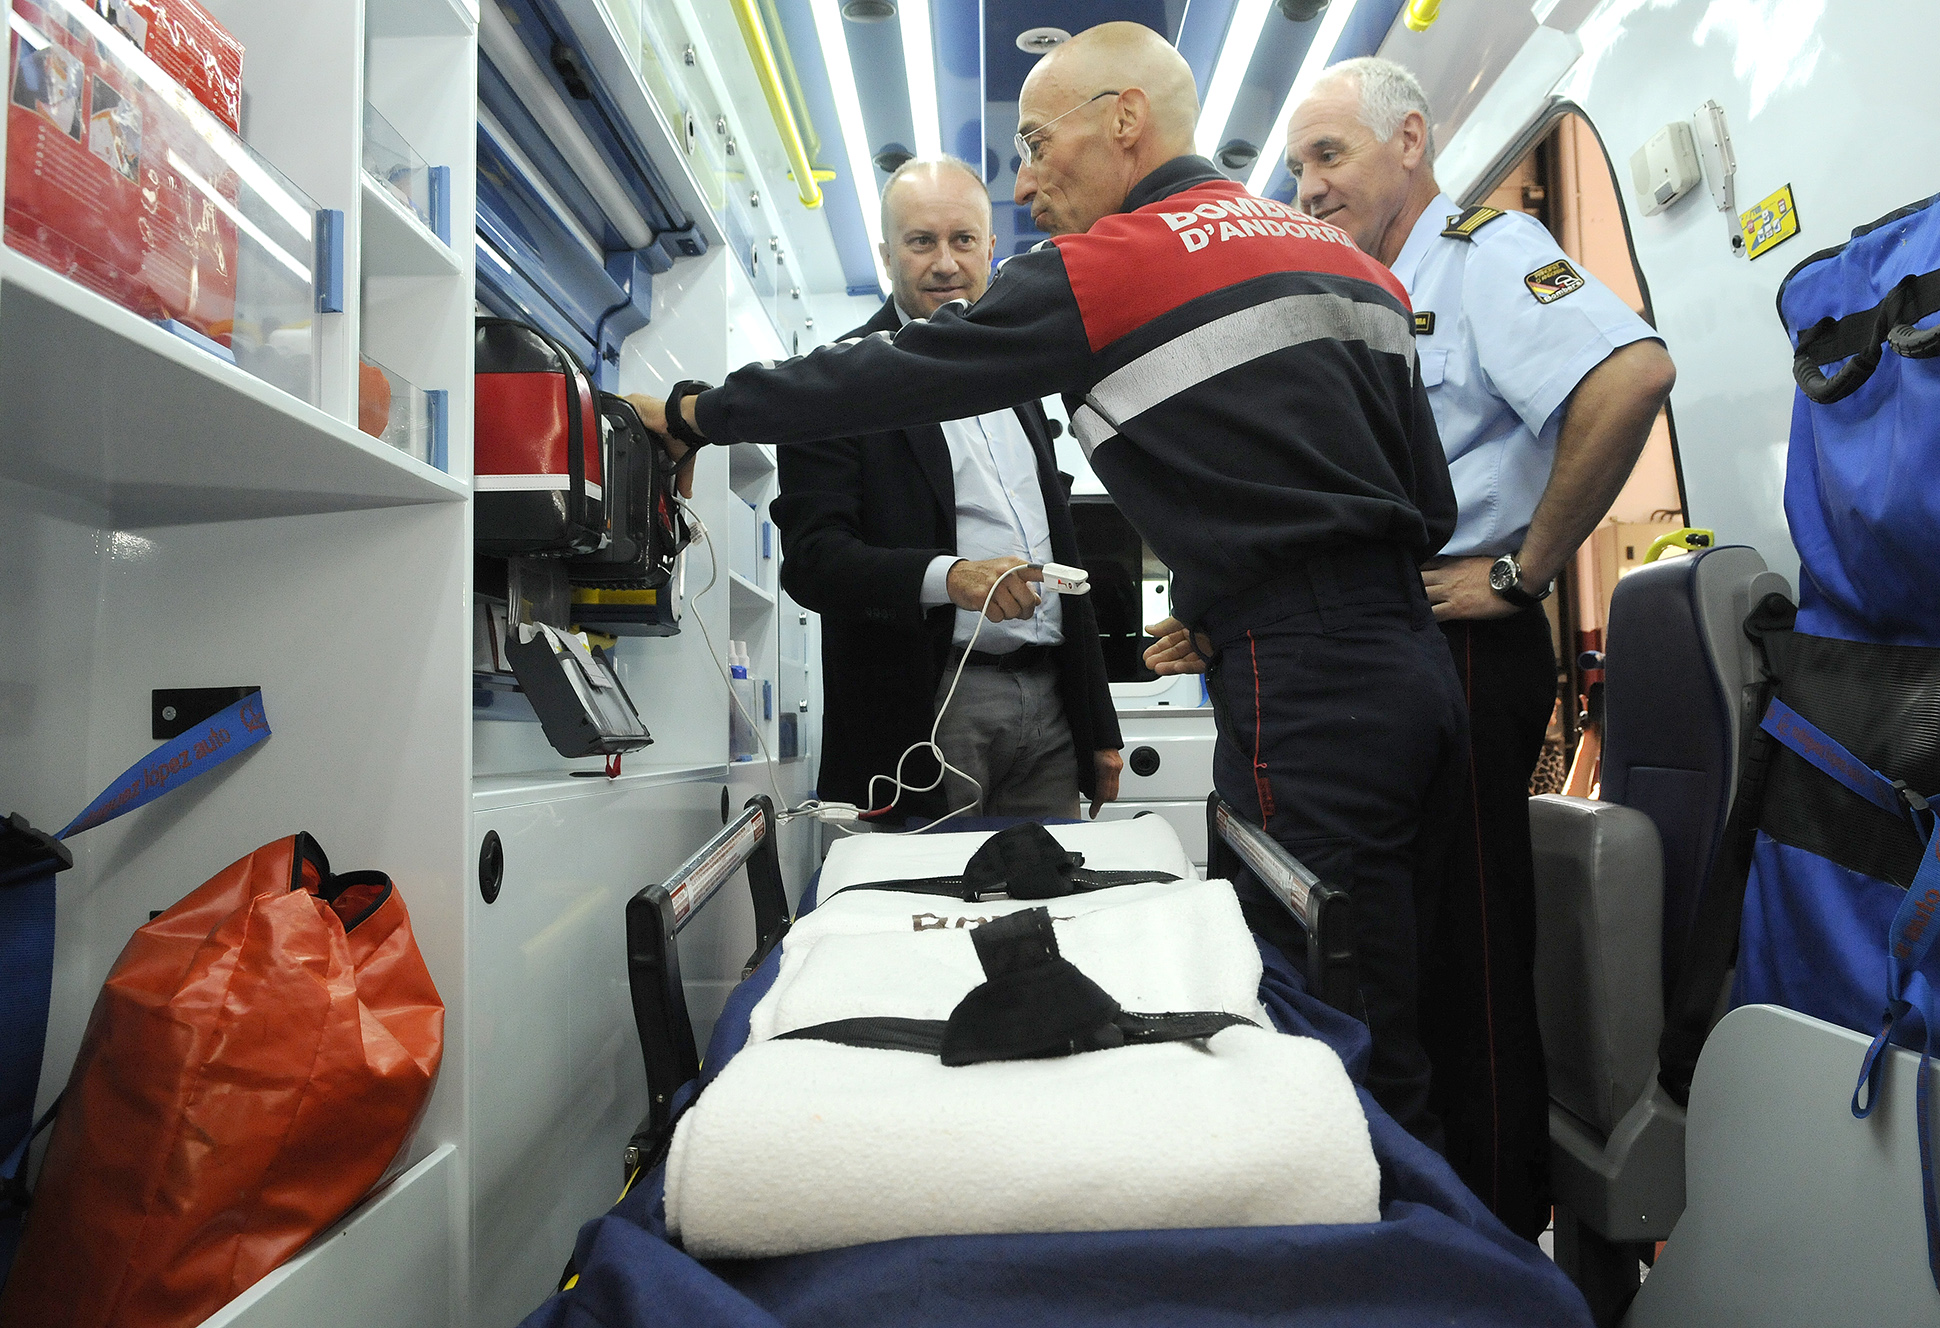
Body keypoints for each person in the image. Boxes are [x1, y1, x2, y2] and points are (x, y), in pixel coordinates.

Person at [629, 21, 1466, 1143]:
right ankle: (1470, 1234)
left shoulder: (1111, 269)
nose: (1024, 181)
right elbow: (1427, 498)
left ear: (1124, 121)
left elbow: (879, 375)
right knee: (1433, 974)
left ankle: (1358, 1260)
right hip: (1418, 662)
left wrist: (692, 411)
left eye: (1035, 141)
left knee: (1331, 1002)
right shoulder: (1358, 268)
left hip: (1301, 679)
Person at [1284, 57, 1677, 1238]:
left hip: (1464, 642)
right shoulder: (1353, 289)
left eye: (1327, 156)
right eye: (1298, 164)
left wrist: (1524, 570)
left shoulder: (1484, 255)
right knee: (1397, 949)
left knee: (1471, 952)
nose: (1305, 185)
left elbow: (1630, 372)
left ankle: (1501, 1231)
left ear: (1410, 140)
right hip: (1382, 644)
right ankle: (1421, 1219)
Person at [770, 157, 1123, 821]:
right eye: (921, 241)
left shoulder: (1020, 385)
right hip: (923, 708)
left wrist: (1097, 723)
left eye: (963, 241)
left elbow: (1061, 549)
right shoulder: (835, 383)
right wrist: (949, 577)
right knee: (925, 913)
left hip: (1049, 708)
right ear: (885, 254)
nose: (945, 263)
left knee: (1053, 908)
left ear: (991, 250)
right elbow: (814, 562)